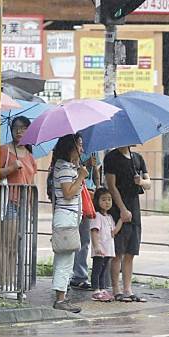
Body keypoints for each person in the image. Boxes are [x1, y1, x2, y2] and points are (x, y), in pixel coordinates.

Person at [104, 145, 151, 303]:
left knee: (131, 250)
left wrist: (141, 181)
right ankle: (116, 289)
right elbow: (111, 186)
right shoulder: (111, 157)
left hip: (134, 206)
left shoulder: (137, 158)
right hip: (119, 208)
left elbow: (148, 183)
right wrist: (122, 209)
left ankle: (127, 289)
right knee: (118, 250)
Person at [0, 116, 38, 291]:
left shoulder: (30, 156)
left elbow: (31, 180)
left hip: (24, 205)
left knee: (16, 247)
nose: (19, 131)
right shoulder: (4, 150)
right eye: (16, 128)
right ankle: (3, 283)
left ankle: (11, 282)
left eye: (23, 128)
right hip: (9, 202)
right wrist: (12, 168)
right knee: (6, 244)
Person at [50, 134, 87, 313]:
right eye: (79, 145)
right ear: (70, 146)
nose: (82, 149)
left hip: (68, 217)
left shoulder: (68, 167)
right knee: (65, 260)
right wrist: (80, 177)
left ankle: (61, 295)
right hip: (66, 217)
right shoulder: (64, 167)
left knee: (64, 259)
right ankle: (60, 299)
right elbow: (67, 193)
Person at [69, 140, 101, 291]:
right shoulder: (68, 151)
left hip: (89, 196)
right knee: (70, 237)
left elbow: (96, 174)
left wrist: (98, 188)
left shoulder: (94, 149)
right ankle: (70, 274)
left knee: (85, 238)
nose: (82, 147)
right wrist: (86, 163)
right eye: (80, 144)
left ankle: (80, 275)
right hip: (75, 195)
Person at [89, 187, 122, 302]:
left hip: (108, 249)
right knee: (97, 270)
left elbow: (113, 232)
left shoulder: (109, 217)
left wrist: (121, 220)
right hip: (100, 249)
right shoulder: (97, 216)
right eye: (103, 199)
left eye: (109, 199)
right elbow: (94, 231)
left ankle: (102, 289)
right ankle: (96, 290)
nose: (107, 202)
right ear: (97, 201)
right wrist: (96, 246)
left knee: (103, 271)